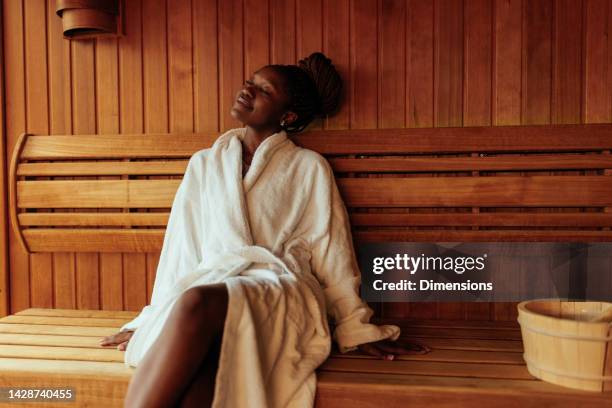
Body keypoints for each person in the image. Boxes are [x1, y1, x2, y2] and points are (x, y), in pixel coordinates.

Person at [99, 52, 430, 408]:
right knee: (201, 377)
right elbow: (182, 248)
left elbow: (331, 250)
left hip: (280, 290)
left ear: (287, 116)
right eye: (250, 82)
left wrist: (354, 325)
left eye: (264, 90)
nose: (247, 90)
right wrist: (154, 316)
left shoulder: (308, 168)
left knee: (196, 301)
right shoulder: (205, 164)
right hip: (216, 288)